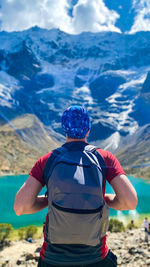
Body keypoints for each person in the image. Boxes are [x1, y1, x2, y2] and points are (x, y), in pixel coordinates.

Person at [14, 105, 138, 267]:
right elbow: (130, 202)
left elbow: (21, 208)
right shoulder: (104, 158)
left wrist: (50, 199)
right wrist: (105, 198)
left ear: (64, 129)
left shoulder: (48, 160)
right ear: (88, 130)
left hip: (53, 258)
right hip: (96, 257)